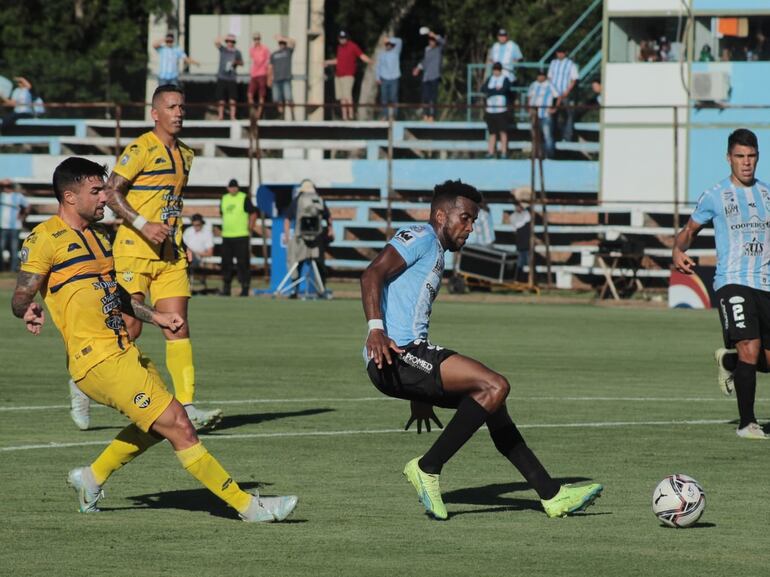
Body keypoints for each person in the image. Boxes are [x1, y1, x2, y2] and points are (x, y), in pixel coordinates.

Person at [12, 157, 297, 522]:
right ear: (69, 196)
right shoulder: (44, 238)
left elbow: (118, 295)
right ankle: (247, 506)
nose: (104, 197)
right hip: (95, 359)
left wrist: (157, 316)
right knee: (178, 423)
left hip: (123, 350)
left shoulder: (101, 238)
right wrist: (28, 309)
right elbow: (21, 294)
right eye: (96, 191)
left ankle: (91, 477)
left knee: (159, 426)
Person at [360, 179, 603, 520]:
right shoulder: (420, 236)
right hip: (394, 355)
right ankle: (427, 467)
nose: (470, 227)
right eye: (466, 218)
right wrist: (376, 331)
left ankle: (551, 495)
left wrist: (421, 392)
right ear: (441, 215)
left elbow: (407, 311)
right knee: (495, 385)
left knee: (493, 404)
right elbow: (372, 274)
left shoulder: (436, 252)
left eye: (473, 221)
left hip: (407, 358)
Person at [67, 84, 222, 433]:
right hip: (134, 251)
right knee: (130, 327)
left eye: (182, 106)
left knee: (178, 323)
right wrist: (142, 224)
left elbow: (170, 203)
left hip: (170, 255)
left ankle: (187, 405)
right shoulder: (140, 148)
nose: (179, 112)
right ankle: (81, 382)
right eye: (171, 106)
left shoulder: (187, 154)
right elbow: (110, 190)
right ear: (155, 113)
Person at [672, 128, 770, 440]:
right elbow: (689, 230)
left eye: (751, 156)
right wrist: (677, 251)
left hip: (765, 284)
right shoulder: (715, 195)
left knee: (760, 360)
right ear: (729, 158)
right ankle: (747, 424)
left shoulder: (767, 194)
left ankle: (730, 361)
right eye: (740, 156)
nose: (746, 163)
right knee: (749, 346)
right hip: (732, 282)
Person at [283, 179, 333, 296]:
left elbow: (287, 219)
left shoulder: (297, 200)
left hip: (300, 238)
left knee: (296, 263)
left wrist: (287, 236)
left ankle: (294, 290)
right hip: (317, 238)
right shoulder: (319, 200)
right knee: (318, 264)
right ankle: (321, 290)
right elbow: (329, 218)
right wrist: (331, 230)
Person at [220, 178, 257, 297]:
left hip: (241, 235)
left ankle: (245, 287)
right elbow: (222, 214)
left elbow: (253, 213)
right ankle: (226, 287)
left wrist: (250, 228)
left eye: (235, 187)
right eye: (231, 187)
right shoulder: (224, 198)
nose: (233, 189)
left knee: (243, 263)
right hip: (227, 236)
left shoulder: (243, 197)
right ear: (228, 188)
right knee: (226, 263)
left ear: (238, 188)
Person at [324, 31, 372, 121]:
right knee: (341, 97)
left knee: (347, 96)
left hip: (348, 75)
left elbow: (361, 55)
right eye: (341, 38)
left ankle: (350, 115)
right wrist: (328, 62)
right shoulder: (339, 48)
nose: (342, 40)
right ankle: (344, 116)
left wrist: (370, 61)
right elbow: (339, 60)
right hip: (338, 75)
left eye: (344, 38)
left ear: (347, 38)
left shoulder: (353, 46)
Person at [412, 28, 445, 122]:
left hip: (434, 76)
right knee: (425, 98)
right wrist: (418, 68)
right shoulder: (427, 50)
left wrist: (435, 35)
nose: (431, 42)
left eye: (433, 41)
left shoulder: (439, 49)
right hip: (426, 77)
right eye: (430, 41)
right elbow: (424, 62)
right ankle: (425, 115)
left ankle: (432, 116)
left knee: (433, 98)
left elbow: (444, 42)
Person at [548, 48, 579, 143]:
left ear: (565, 53)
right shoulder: (553, 63)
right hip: (554, 94)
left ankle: (567, 137)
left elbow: (574, 79)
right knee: (553, 115)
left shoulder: (570, 64)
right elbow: (549, 77)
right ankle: (554, 135)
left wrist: (567, 91)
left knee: (568, 115)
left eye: (561, 52)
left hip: (565, 93)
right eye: (558, 52)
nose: (560, 54)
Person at [482, 62, 511, 159]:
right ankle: (490, 151)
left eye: (498, 70)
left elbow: (504, 90)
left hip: (501, 110)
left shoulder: (505, 79)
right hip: (490, 110)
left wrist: (492, 91)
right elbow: (484, 89)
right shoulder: (490, 79)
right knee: (492, 133)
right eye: (494, 69)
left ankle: (504, 151)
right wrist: (495, 90)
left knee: (503, 131)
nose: (496, 71)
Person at [527, 68, 559, 159]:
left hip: (545, 114)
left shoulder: (550, 85)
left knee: (547, 135)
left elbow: (558, 96)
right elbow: (529, 97)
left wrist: (555, 108)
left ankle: (549, 155)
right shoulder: (533, 85)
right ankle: (536, 154)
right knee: (535, 136)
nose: (540, 77)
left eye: (542, 75)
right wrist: (529, 109)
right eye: (539, 75)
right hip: (534, 114)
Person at [0, 179, 29, 272]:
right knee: (1, 247)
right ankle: (2, 269)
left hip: (14, 227)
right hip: (2, 226)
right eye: (4, 186)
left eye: (8, 186)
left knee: (14, 248)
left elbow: (27, 206)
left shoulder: (18, 196)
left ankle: (12, 269)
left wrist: (22, 216)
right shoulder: (1, 195)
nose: (5, 188)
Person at [182, 213, 214, 294]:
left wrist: (195, 253)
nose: (196, 227)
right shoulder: (188, 231)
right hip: (186, 255)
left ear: (201, 223)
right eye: (194, 225)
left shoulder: (207, 233)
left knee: (190, 256)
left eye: (198, 225)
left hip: (198, 258)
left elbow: (210, 253)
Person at [214, 34, 243, 120]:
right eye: (228, 41)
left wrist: (235, 62)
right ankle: (220, 116)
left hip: (232, 78)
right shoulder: (223, 49)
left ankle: (232, 116)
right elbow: (216, 42)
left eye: (232, 41)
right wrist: (224, 37)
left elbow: (242, 63)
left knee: (232, 98)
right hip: (222, 77)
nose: (230, 43)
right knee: (221, 98)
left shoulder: (237, 52)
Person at [269, 34, 296, 120]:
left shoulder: (288, 51)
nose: (282, 44)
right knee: (277, 99)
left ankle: (293, 116)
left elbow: (293, 42)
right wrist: (269, 78)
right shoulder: (274, 54)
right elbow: (270, 67)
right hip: (276, 79)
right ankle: (281, 115)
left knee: (289, 98)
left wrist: (284, 38)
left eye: (283, 43)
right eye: (280, 43)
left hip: (286, 78)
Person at [375, 37, 402, 120]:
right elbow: (378, 66)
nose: (388, 45)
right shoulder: (382, 54)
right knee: (384, 98)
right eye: (387, 44)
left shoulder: (396, 51)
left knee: (393, 97)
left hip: (394, 78)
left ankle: (394, 116)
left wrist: (389, 39)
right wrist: (377, 77)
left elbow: (399, 41)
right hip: (384, 78)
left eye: (390, 44)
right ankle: (385, 115)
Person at [248, 32, 271, 119]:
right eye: (255, 39)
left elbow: (268, 62)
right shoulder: (252, 49)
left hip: (262, 74)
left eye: (257, 39)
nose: (256, 41)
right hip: (254, 74)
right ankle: (253, 112)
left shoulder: (265, 49)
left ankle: (259, 114)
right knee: (250, 94)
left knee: (261, 95)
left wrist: (269, 76)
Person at [511, 200, 531, 282]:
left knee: (529, 264)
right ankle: (519, 281)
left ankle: (528, 281)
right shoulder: (513, 216)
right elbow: (514, 230)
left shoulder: (526, 214)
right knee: (519, 265)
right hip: (520, 244)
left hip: (527, 244)